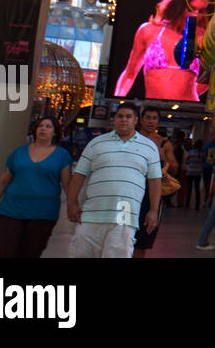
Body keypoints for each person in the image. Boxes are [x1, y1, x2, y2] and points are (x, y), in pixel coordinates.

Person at [67, 103, 161, 259]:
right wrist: (71, 203)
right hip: (92, 214)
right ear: (114, 119)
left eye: (128, 116)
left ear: (136, 120)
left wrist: (153, 211)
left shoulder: (149, 147)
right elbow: (79, 175)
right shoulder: (96, 143)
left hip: (125, 216)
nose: (124, 120)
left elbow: (155, 181)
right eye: (120, 116)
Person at [0, 116, 72, 259]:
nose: (43, 129)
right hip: (12, 210)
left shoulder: (62, 155)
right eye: (40, 126)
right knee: (3, 252)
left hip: (43, 214)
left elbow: (68, 185)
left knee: (30, 253)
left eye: (48, 126)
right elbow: (3, 181)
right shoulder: (19, 152)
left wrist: (73, 207)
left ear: (55, 132)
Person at [112, 0, 214, 102]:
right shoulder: (148, 31)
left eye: (201, 11)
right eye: (191, 9)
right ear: (178, 5)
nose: (196, 15)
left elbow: (211, 78)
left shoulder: (202, 37)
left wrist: (184, 97)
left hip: (185, 109)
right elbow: (129, 74)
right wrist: (117, 101)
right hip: (151, 108)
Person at [132, 107, 176, 258]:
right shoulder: (132, 138)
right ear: (141, 120)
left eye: (154, 118)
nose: (151, 121)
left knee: (143, 238)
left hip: (152, 194)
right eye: (148, 118)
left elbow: (175, 168)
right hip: (130, 191)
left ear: (158, 121)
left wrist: (164, 158)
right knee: (123, 235)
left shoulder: (164, 143)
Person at [186, 138, 205, 209]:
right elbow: (203, 162)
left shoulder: (190, 152)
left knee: (189, 188)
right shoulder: (202, 153)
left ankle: (187, 203)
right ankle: (197, 204)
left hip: (190, 172)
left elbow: (186, 161)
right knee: (197, 189)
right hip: (198, 173)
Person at [203, 132, 215, 200]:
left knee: (207, 183)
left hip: (207, 166)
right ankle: (208, 196)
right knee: (210, 183)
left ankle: (207, 196)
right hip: (213, 167)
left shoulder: (208, 145)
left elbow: (204, 155)